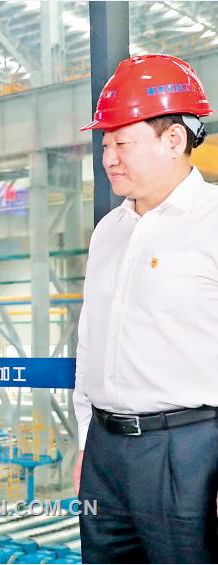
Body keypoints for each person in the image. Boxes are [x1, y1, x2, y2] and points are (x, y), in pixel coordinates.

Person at [73, 54, 218, 563]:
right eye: (105, 144)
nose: (108, 158)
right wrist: (85, 441)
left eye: (122, 143)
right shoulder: (109, 231)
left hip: (190, 451)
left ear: (174, 139)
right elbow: (90, 342)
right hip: (106, 450)